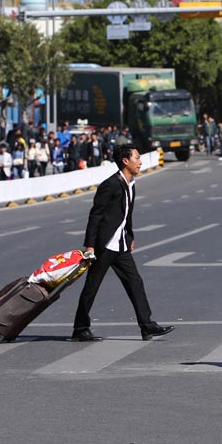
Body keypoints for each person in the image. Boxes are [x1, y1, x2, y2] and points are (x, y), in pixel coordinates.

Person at [71, 144, 174, 343]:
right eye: (137, 158)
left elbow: (127, 213)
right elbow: (95, 216)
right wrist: (90, 245)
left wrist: (130, 236)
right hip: (104, 246)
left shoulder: (131, 183)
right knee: (92, 287)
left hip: (120, 245)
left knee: (135, 282)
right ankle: (80, 328)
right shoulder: (110, 185)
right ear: (125, 161)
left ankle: (147, 325)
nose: (140, 162)